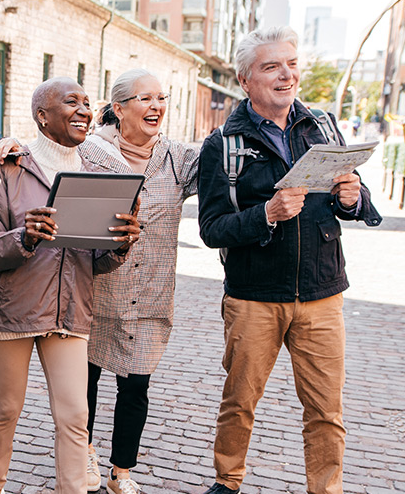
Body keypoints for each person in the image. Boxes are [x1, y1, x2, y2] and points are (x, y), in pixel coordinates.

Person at [196, 26, 381, 494]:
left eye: (292, 64)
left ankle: (326, 488)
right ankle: (228, 481)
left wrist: (352, 197)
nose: (287, 75)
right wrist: (266, 215)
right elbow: (212, 228)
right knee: (239, 402)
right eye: (272, 66)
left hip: (322, 293)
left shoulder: (323, 125)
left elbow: (353, 200)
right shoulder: (223, 144)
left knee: (326, 409)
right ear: (245, 80)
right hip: (254, 295)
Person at [0, 77, 141, 494]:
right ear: (42, 115)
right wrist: (25, 237)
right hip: (12, 309)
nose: (85, 110)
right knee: (6, 409)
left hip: (70, 311)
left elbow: (93, 260)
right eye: (72, 102)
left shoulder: (94, 175)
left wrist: (119, 245)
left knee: (74, 416)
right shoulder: (7, 167)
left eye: (88, 103)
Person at [83, 69, 199, 494]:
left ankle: (122, 472)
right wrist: (12, 145)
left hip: (150, 293)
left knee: (136, 387)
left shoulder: (179, 159)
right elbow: (46, 155)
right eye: (145, 99)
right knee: (86, 381)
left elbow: (225, 165)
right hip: (98, 288)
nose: (156, 106)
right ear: (118, 108)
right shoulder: (89, 153)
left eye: (161, 98)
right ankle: (85, 453)